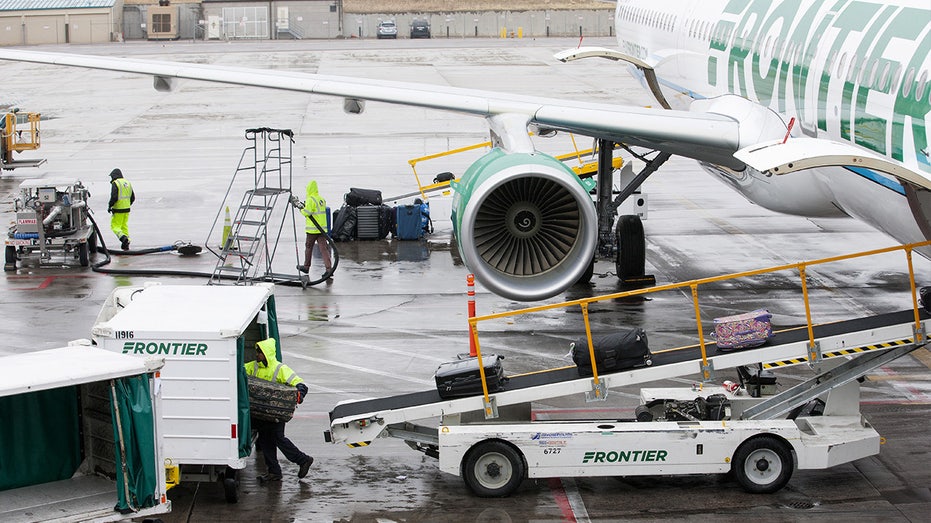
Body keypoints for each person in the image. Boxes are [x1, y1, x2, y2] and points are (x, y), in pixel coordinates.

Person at [245, 337, 313, 483]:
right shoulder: (252, 366)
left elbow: (300, 384)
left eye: (259, 352)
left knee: (277, 438)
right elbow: (238, 373)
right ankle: (274, 472)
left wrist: (299, 394)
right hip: (261, 413)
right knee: (265, 441)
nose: (257, 354)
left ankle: (303, 460)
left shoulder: (280, 368)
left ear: (266, 353)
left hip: (276, 414)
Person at [294, 180, 333, 277]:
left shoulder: (310, 199)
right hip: (322, 230)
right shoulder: (321, 199)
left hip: (312, 230)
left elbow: (307, 213)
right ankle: (329, 269)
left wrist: (300, 208)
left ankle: (306, 267)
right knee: (324, 249)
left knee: (308, 247)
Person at [107, 168, 135, 251]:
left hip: (118, 209)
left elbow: (114, 196)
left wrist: (110, 206)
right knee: (124, 226)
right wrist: (127, 205)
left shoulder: (116, 183)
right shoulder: (127, 183)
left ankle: (123, 239)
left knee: (115, 226)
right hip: (127, 209)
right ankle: (127, 243)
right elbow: (132, 197)